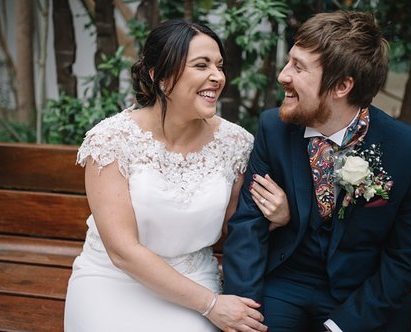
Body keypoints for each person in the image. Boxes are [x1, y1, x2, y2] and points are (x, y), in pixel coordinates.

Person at [64, 19, 288, 331]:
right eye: (201, 65)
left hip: (193, 276)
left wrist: (276, 216)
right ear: (160, 76)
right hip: (111, 280)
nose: (217, 76)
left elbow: (236, 227)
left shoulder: (236, 144)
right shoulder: (111, 141)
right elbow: (122, 251)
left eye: (219, 66)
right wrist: (211, 305)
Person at [223, 11, 411, 332]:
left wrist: (339, 327)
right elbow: (248, 226)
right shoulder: (274, 127)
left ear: (342, 86)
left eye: (298, 67)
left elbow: (403, 259)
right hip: (286, 283)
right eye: (289, 62)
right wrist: (243, 306)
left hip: (362, 297)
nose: (283, 75)